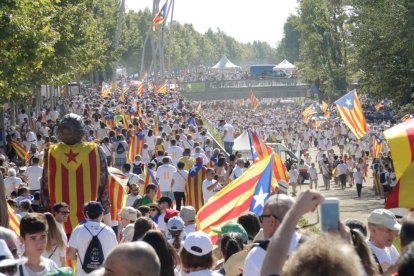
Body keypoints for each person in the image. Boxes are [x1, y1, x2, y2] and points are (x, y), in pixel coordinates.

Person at [243, 193, 296, 276]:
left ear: (272, 221)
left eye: (262, 218)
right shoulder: (311, 246)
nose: (261, 224)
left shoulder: (257, 255)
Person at [67, 202, 118, 276]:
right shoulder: (109, 231)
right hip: (103, 273)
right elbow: (115, 255)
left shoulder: (78, 230)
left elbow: (70, 255)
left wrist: (83, 257)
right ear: (101, 214)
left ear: (87, 214)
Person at [367, 208, 400, 274]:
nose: (394, 235)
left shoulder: (391, 248)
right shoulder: (364, 252)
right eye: (389, 230)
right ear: (373, 230)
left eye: (394, 230)